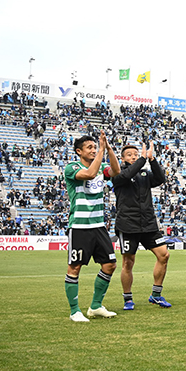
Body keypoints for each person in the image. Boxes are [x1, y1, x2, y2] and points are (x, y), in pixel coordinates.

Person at [63, 132, 121, 322]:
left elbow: (116, 171)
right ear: (79, 151)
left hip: (99, 226)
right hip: (79, 227)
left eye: (95, 147)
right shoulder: (72, 168)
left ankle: (95, 306)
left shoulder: (102, 165)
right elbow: (89, 174)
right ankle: (74, 311)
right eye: (90, 147)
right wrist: (101, 152)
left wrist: (109, 149)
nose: (94, 150)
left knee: (110, 265)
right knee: (75, 267)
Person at [112, 141, 172, 310]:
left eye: (136, 154)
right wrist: (142, 160)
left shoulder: (144, 174)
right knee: (128, 263)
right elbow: (128, 174)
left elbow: (160, 178)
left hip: (148, 224)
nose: (133, 157)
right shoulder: (117, 173)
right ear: (122, 159)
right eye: (129, 155)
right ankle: (128, 298)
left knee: (164, 255)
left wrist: (152, 160)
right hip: (127, 225)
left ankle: (156, 295)